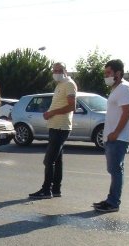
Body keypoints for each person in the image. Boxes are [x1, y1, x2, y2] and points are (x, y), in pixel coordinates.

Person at [29, 62, 77, 199]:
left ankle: (46, 190)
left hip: (60, 127)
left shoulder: (69, 84)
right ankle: (56, 189)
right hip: (55, 125)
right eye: (54, 70)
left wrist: (52, 113)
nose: (56, 73)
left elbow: (71, 106)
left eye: (59, 70)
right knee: (57, 160)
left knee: (49, 160)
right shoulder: (60, 85)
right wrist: (49, 113)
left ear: (65, 70)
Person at [93, 59, 129, 213]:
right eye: (105, 73)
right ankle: (111, 199)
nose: (106, 76)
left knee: (116, 170)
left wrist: (116, 133)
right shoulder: (117, 88)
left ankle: (113, 202)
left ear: (118, 73)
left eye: (109, 73)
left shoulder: (124, 88)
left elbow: (127, 112)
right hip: (113, 137)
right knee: (114, 170)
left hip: (119, 138)